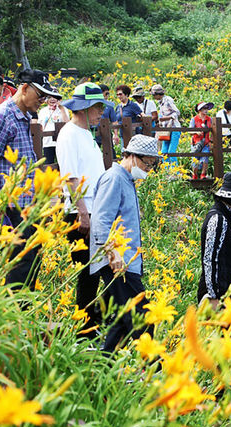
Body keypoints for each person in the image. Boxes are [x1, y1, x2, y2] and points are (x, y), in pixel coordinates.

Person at [0, 69, 60, 289]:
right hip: (12, 202)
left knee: (32, 255)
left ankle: (24, 308)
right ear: (24, 88)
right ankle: (15, 307)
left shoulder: (25, 116)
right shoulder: (2, 115)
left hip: (29, 201)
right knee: (20, 259)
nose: (43, 101)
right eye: (40, 95)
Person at [90, 134, 160, 352]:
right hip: (119, 263)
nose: (148, 169)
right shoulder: (114, 178)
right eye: (147, 164)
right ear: (131, 156)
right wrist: (113, 253)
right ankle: (151, 374)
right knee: (143, 320)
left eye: (152, 165)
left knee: (121, 323)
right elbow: (100, 219)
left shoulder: (126, 180)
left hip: (127, 262)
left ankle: (102, 366)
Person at [56, 83, 108, 340]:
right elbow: (71, 178)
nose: (101, 112)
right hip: (80, 212)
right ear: (85, 108)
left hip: (94, 210)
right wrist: (83, 213)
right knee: (87, 272)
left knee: (95, 271)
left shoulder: (87, 133)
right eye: (97, 107)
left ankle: (92, 324)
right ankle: (85, 331)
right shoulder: (68, 134)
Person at [197, 172, 231, 306]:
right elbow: (210, 259)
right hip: (215, 296)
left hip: (225, 291)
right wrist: (213, 295)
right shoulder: (218, 218)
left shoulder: (225, 216)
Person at [150, 84, 181, 166]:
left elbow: (177, 112)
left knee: (171, 152)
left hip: (174, 128)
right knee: (163, 152)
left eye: (154, 95)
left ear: (157, 94)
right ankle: (167, 172)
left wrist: (166, 118)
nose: (153, 97)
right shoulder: (161, 103)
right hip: (166, 130)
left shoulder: (167, 100)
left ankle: (176, 172)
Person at [37, 93, 69, 165]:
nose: (52, 99)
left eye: (55, 97)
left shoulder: (63, 109)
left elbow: (67, 123)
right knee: (48, 164)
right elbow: (40, 126)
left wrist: (62, 108)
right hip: (47, 142)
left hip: (61, 142)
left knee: (63, 163)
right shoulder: (43, 111)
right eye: (50, 97)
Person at [189, 102, 213, 179]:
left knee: (205, 157)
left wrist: (211, 142)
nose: (206, 110)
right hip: (196, 143)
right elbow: (189, 131)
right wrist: (196, 132)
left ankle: (203, 175)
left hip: (206, 142)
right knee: (195, 159)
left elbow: (213, 131)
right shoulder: (194, 119)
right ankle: (195, 175)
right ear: (199, 110)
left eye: (207, 108)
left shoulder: (210, 119)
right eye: (204, 109)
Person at [96, 84, 119, 149]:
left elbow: (114, 121)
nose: (107, 96)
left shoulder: (109, 106)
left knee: (111, 152)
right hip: (94, 131)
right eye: (106, 94)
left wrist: (116, 134)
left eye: (108, 94)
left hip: (106, 131)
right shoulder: (92, 105)